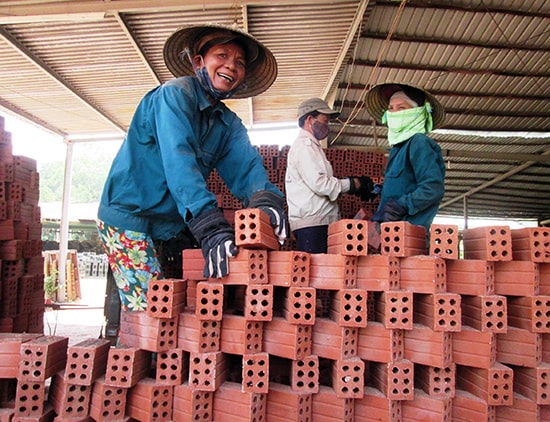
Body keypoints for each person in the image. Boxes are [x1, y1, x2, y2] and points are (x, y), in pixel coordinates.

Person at [97, 23, 287, 312]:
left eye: (239, 62)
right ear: (199, 62)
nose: (230, 66)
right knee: (152, 312)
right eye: (221, 55)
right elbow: (179, 161)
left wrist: (267, 200)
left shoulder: (228, 124)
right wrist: (209, 226)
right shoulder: (174, 96)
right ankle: (132, 351)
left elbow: (247, 170)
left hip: (170, 225)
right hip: (129, 217)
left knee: (182, 311)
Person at [285, 98, 376, 253]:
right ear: (309, 119)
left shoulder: (312, 147)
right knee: (317, 274)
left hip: (318, 223)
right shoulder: (305, 147)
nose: (327, 125)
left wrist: (350, 183)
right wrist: (353, 184)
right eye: (324, 120)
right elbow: (320, 184)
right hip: (313, 225)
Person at [364, 82, 446, 252]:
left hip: (409, 239)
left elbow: (433, 188)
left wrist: (402, 204)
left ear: (417, 112)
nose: (394, 113)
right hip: (390, 237)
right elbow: (403, 185)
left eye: (401, 108)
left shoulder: (419, 143)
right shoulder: (397, 149)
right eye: (391, 108)